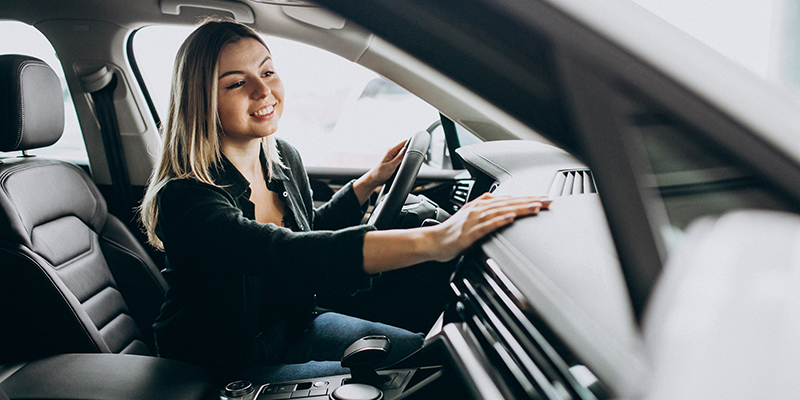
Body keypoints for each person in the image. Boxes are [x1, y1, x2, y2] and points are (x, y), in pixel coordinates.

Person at [138, 17, 550, 385]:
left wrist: (370, 182)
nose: (264, 90)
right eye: (236, 82)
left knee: (421, 353)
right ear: (202, 100)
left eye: (267, 71)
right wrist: (435, 240)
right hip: (225, 365)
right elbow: (280, 252)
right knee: (403, 378)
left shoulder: (282, 158)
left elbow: (307, 227)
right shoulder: (187, 197)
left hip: (295, 327)